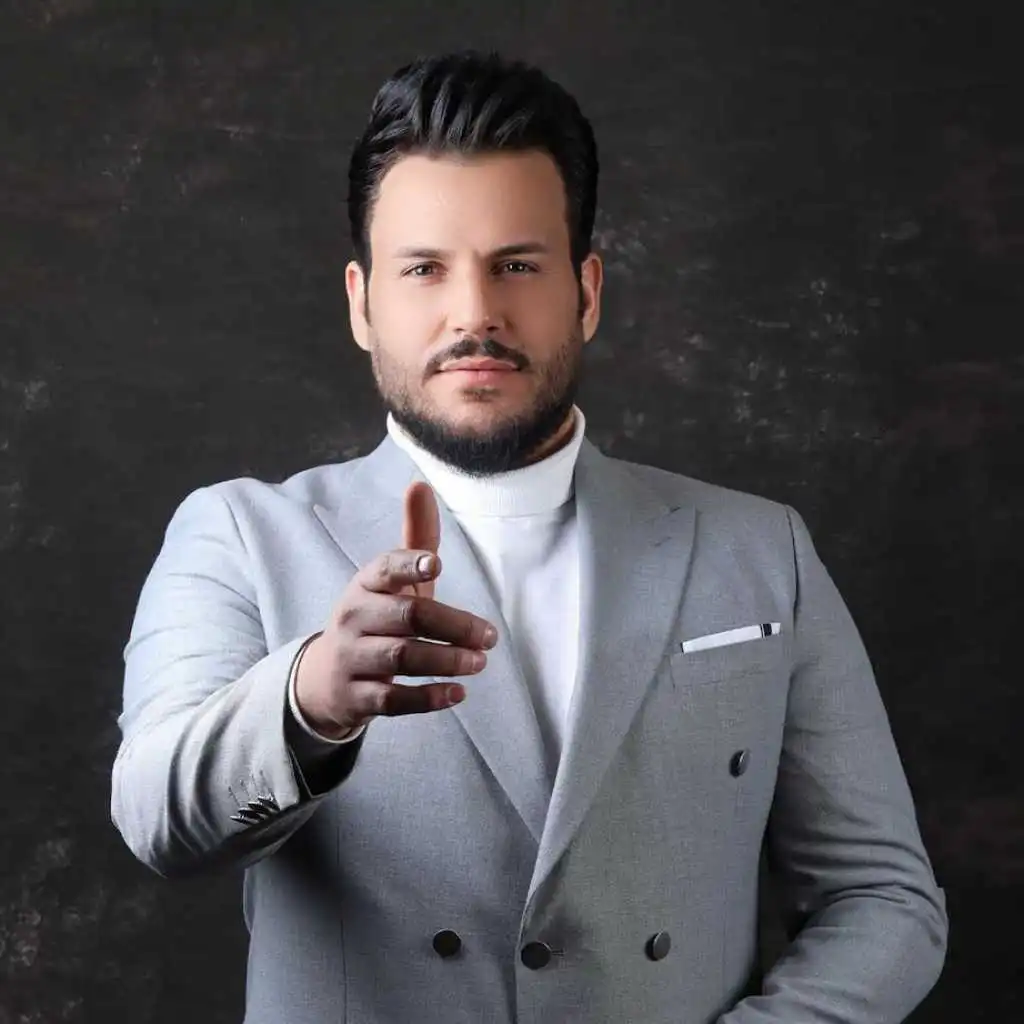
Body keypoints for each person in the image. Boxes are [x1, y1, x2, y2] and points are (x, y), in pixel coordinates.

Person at [110, 50, 947, 1024]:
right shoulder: (238, 533)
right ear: (362, 303)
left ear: (585, 292)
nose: (474, 313)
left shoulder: (761, 551)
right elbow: (157, 818)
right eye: (424, 269)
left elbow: (884, 899)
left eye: (516, 265)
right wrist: (311, 698)